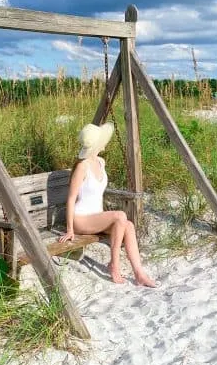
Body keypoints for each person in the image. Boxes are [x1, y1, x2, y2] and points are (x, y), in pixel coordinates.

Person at [58, 122, 157, 288]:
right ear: (97, 144)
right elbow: (71, 199)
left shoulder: (101, 162)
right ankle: (114, 265)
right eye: (103, 140)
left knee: (129, 226)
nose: (106, 142)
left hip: (96, 217)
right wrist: (70, 229)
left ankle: (139, 273)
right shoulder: (82, 167)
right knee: (120, 216)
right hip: (81, 219)